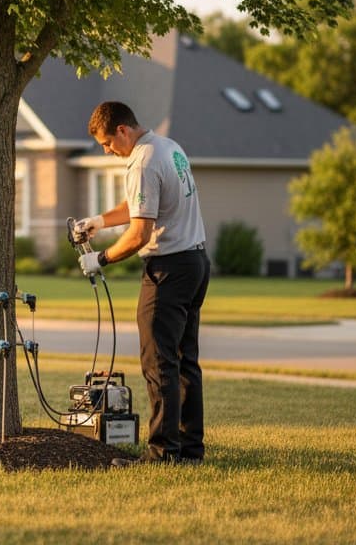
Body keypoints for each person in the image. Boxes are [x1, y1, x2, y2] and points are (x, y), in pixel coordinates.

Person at [72, 100, 210, 466]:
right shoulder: (167, 147)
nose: (107, 151)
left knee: (158, 362)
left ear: (122, 130)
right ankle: (189, 450)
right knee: (184, 361)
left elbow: (139, 234)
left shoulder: (142, 162)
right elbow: (138, 206)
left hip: (167, 268)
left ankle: (163, 453)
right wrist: (99, 222)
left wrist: (98, 258)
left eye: (107, 143)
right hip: (195, 261)